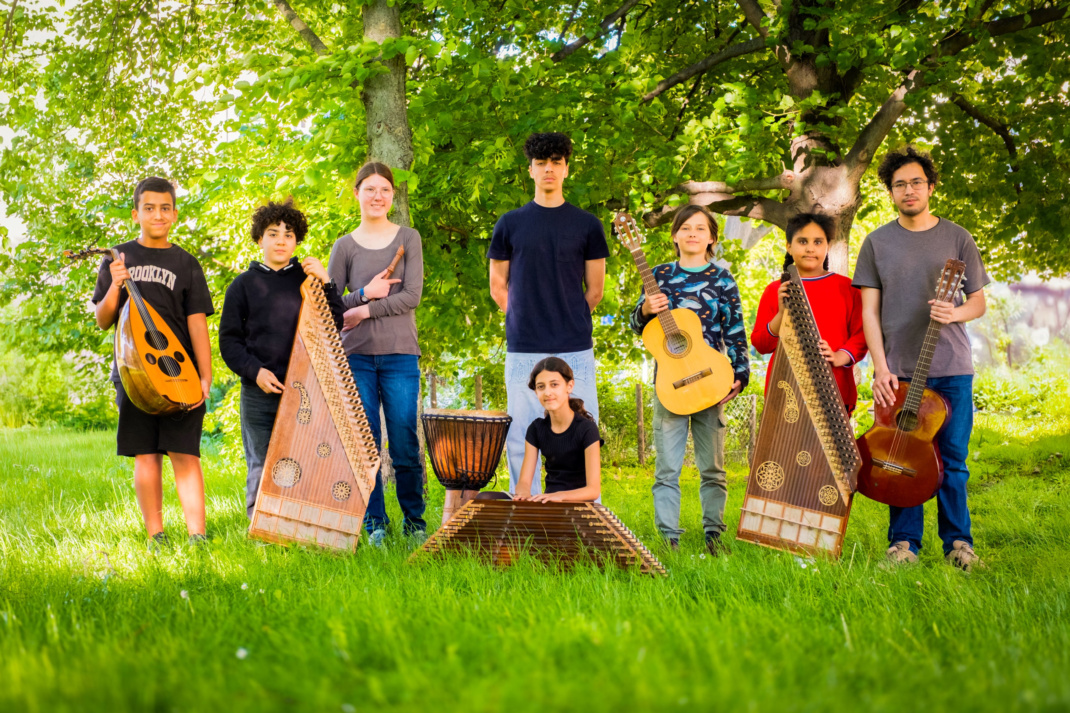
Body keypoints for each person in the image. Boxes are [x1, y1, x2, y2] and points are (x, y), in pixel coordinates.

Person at [852, 146, 990, 571]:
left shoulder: (957, 237)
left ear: (930, 187)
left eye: (915, 182)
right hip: (900, 371)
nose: (908, 190)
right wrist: (880, 366)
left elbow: (979, 302)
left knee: (952, 461)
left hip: (951, 369)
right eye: (899, 185)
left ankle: (958, 545)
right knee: (899, 457)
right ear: (890, 192)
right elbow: (869, 312)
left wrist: (955, 312)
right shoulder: (876, 243)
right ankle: (904, 546)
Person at [91, 177, 214, 550]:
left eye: (164, 208)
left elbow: (196, 323)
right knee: (145, 454)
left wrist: (205, 376)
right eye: (149, 208)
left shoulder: (186, 263)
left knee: (185, 453)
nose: (157, 215)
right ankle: (155, 536)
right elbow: (103, 319)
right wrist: (115, 284)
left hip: (179, 372)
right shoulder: (117, 258)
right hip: (132, 375)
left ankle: (198, 535)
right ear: (135, 214)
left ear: (174, 214)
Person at [487, 132, 610, 496]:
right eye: (541, 163)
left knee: (584, 433)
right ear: (530, 170)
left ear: (567, 168)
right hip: (523, 346)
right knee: (522, 436)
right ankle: (523, 512)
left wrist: (566, 316)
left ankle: (588, 515)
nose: (549, 169)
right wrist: (525, 316)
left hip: (574, 346)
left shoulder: (588, 225)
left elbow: (596, 290)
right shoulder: (509, 224)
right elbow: (498, 286)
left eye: (556, 162)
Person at [629, 205, 749, 555]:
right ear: (675, 235)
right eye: (685, 227)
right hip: (670, 384)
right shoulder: (659, 275)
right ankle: (669, 537)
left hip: (712, 382)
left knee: (713, 466)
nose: (692, 233)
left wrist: (740, 374)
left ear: (712, 237)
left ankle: (715, 533)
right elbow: (639, 327)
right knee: (667, 467)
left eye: (700, 228)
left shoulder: (723, 280)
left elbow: (736, 331)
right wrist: (646, 310)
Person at [219, 199, 345, 520]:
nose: (280, 240)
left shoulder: (308, 281)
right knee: (261, 461)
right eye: (273, 233)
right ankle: (261, 525)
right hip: (259, 391)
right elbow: (229, 342)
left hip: (304, 391)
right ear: (259, 238)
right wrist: (255, 371)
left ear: (297, 241)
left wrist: (328, 282)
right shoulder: (242, 286)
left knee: (301, 460)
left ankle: (296, 524)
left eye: (288, 235)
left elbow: (334, 326)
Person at [327, 162, 425, 547]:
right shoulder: (344, 246)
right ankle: (375, 525)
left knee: (403, 441)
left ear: (392, 196)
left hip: (401, 354)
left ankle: (414, 523)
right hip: (357, 358)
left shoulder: (409, 238)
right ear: (357, 194)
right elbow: (331, 303)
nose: (377, 196)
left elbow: (411, 296)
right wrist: (365, 293)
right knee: (366, 442)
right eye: (369, 189)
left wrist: (365, 310)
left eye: (384, 189)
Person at [751, 212, 868, 413]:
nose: (810, 248)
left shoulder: (848, 288)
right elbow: (761, 344)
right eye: (802, 241)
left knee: (830, 446)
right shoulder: (775, 290)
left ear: (827, 246)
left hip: (835, 387)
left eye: (818, 242)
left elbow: (863, 334)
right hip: (785, 392)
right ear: (789, 246)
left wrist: (841, 355)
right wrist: (781, 314)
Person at [515, 357, 601, 503]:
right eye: (541, 387)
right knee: (485, 498)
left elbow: (593, 491)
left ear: (569, 386)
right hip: (549, 504)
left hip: (580, 508)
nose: (547, 392)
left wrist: (560, 496)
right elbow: (524, 482)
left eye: (554, 385)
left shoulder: (587, 429)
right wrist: (523, 494)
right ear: (536, 392)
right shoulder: (536, 429)